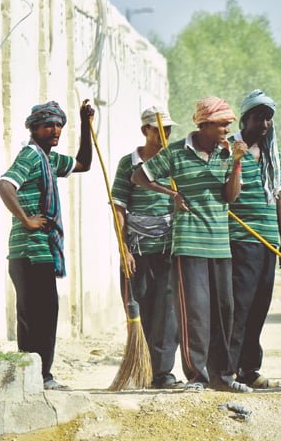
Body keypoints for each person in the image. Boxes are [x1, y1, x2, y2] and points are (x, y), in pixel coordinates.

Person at [131, 96, 249, 393]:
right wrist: (171, 194)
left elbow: (230, 197)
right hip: (188, 245)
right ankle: (197, 376)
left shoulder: (227, 154)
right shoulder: (176, 154)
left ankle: (223, 376)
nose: (227, 129)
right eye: (223, 124)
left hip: (219, 245)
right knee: (194, 314)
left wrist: (236, 164)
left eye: (229, 125)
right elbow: (139, 175)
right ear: (205, 125)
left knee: (224, 312)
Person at [0, 100, 93, 390]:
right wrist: (26, 219)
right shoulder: (30, 155)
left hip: (40, 251)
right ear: (34, 128)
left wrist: (85, 124)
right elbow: (4, 185)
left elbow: (83, 164)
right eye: (48, 125)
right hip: (29, 250)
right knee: (39, 313)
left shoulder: (49, 159)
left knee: (39, 313)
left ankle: (34, 375)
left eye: (59, 125)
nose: (55, 130)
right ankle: (41, 376)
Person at [110, 106, 182, 389]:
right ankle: (141, 369)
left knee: (167, 311)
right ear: (145, 131)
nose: (165, 135)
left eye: (169, 130)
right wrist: (123, 250)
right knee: (139, 309)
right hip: (137, 250)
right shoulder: (128, 164)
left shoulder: (173, 162)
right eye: (160, 130)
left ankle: (163, 374)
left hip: (168, 248)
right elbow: (118, 208)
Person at [228, 89, 281, 389]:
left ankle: (250, 369)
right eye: (259, 117)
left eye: (268, 118)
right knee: (238, 307)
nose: (265, 124)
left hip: (268, 241)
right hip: (241, 239)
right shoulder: (229, 148)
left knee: (259, 307)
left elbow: (279, 197)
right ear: (245, 119)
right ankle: (228, 368)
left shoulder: (272, 153)